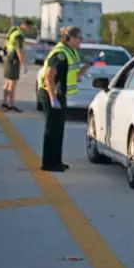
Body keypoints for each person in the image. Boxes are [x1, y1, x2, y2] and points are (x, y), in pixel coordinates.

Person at [37, 26, 95, 171]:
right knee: (52, 129)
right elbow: (50, 77)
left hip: (60, 94)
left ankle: (57, 161)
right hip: (51, 93)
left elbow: (73, 75)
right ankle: (48, 163)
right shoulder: (60, 54)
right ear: (71, 39)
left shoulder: (71, 52)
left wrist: (89, 65)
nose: (81, 41)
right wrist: (52, 98)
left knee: (59, 129)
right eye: (79, 38)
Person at [1, 19, 33, 112]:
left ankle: (4, 103)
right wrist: (23, 64)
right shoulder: (19, 35)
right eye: (29, 27)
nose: (30, 30)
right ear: (24, 26)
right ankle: (11, 104)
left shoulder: (13, 30)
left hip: (7, 58)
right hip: (13, 60)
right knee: (12, 83)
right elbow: (19, 50)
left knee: (7, 82)